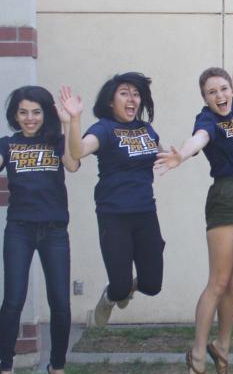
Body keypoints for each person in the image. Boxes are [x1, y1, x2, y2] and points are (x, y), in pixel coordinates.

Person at [155, 2, 233, 374]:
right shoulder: (208, 121)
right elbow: (198, 140)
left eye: (223, 88)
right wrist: (183, 153)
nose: (220, 94)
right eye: (211, 92)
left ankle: (222, 346)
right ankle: (197, 353)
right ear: (205, 98)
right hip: (226, 196)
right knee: (217, 282)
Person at [0, 86, 80, 374]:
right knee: (13, 300)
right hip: (20, 230)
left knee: (60, 303)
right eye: (23, 112)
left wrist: (70, 122)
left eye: (36, 112)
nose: (29, 118)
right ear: (14, 115)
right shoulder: (8, 143)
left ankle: (57, 366)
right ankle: (6, 368)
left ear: (45, 114)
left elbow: (72, 164)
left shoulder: (56, 142)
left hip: (55, 230)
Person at [63, 74, 164, 328]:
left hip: (145, 213)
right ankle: (108, 299)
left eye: (136, 94)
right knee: (119, 288)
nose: (132, 99)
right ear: (110, 101)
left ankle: (124, 288)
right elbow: (78, 151)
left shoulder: (146, 129)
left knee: (152, 285)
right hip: (114, 215)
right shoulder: (104, 129)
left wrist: (186, 150)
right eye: (124, 93)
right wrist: (74, 120)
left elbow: (164, 154)